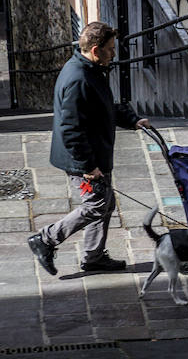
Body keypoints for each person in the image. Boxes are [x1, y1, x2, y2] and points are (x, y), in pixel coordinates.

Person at [28, 21, 148, 275]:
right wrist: (88, 166)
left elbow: (103, 107)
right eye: (110, 49)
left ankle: (93, 257)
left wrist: (131, 120)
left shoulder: (91, 70)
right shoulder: (79, 79)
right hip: (83, 162)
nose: (114, 53)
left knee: (105, 204)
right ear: (95, 50)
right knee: (95, 204)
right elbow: (70, 129)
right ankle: (46, 239)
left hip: (96, 156)